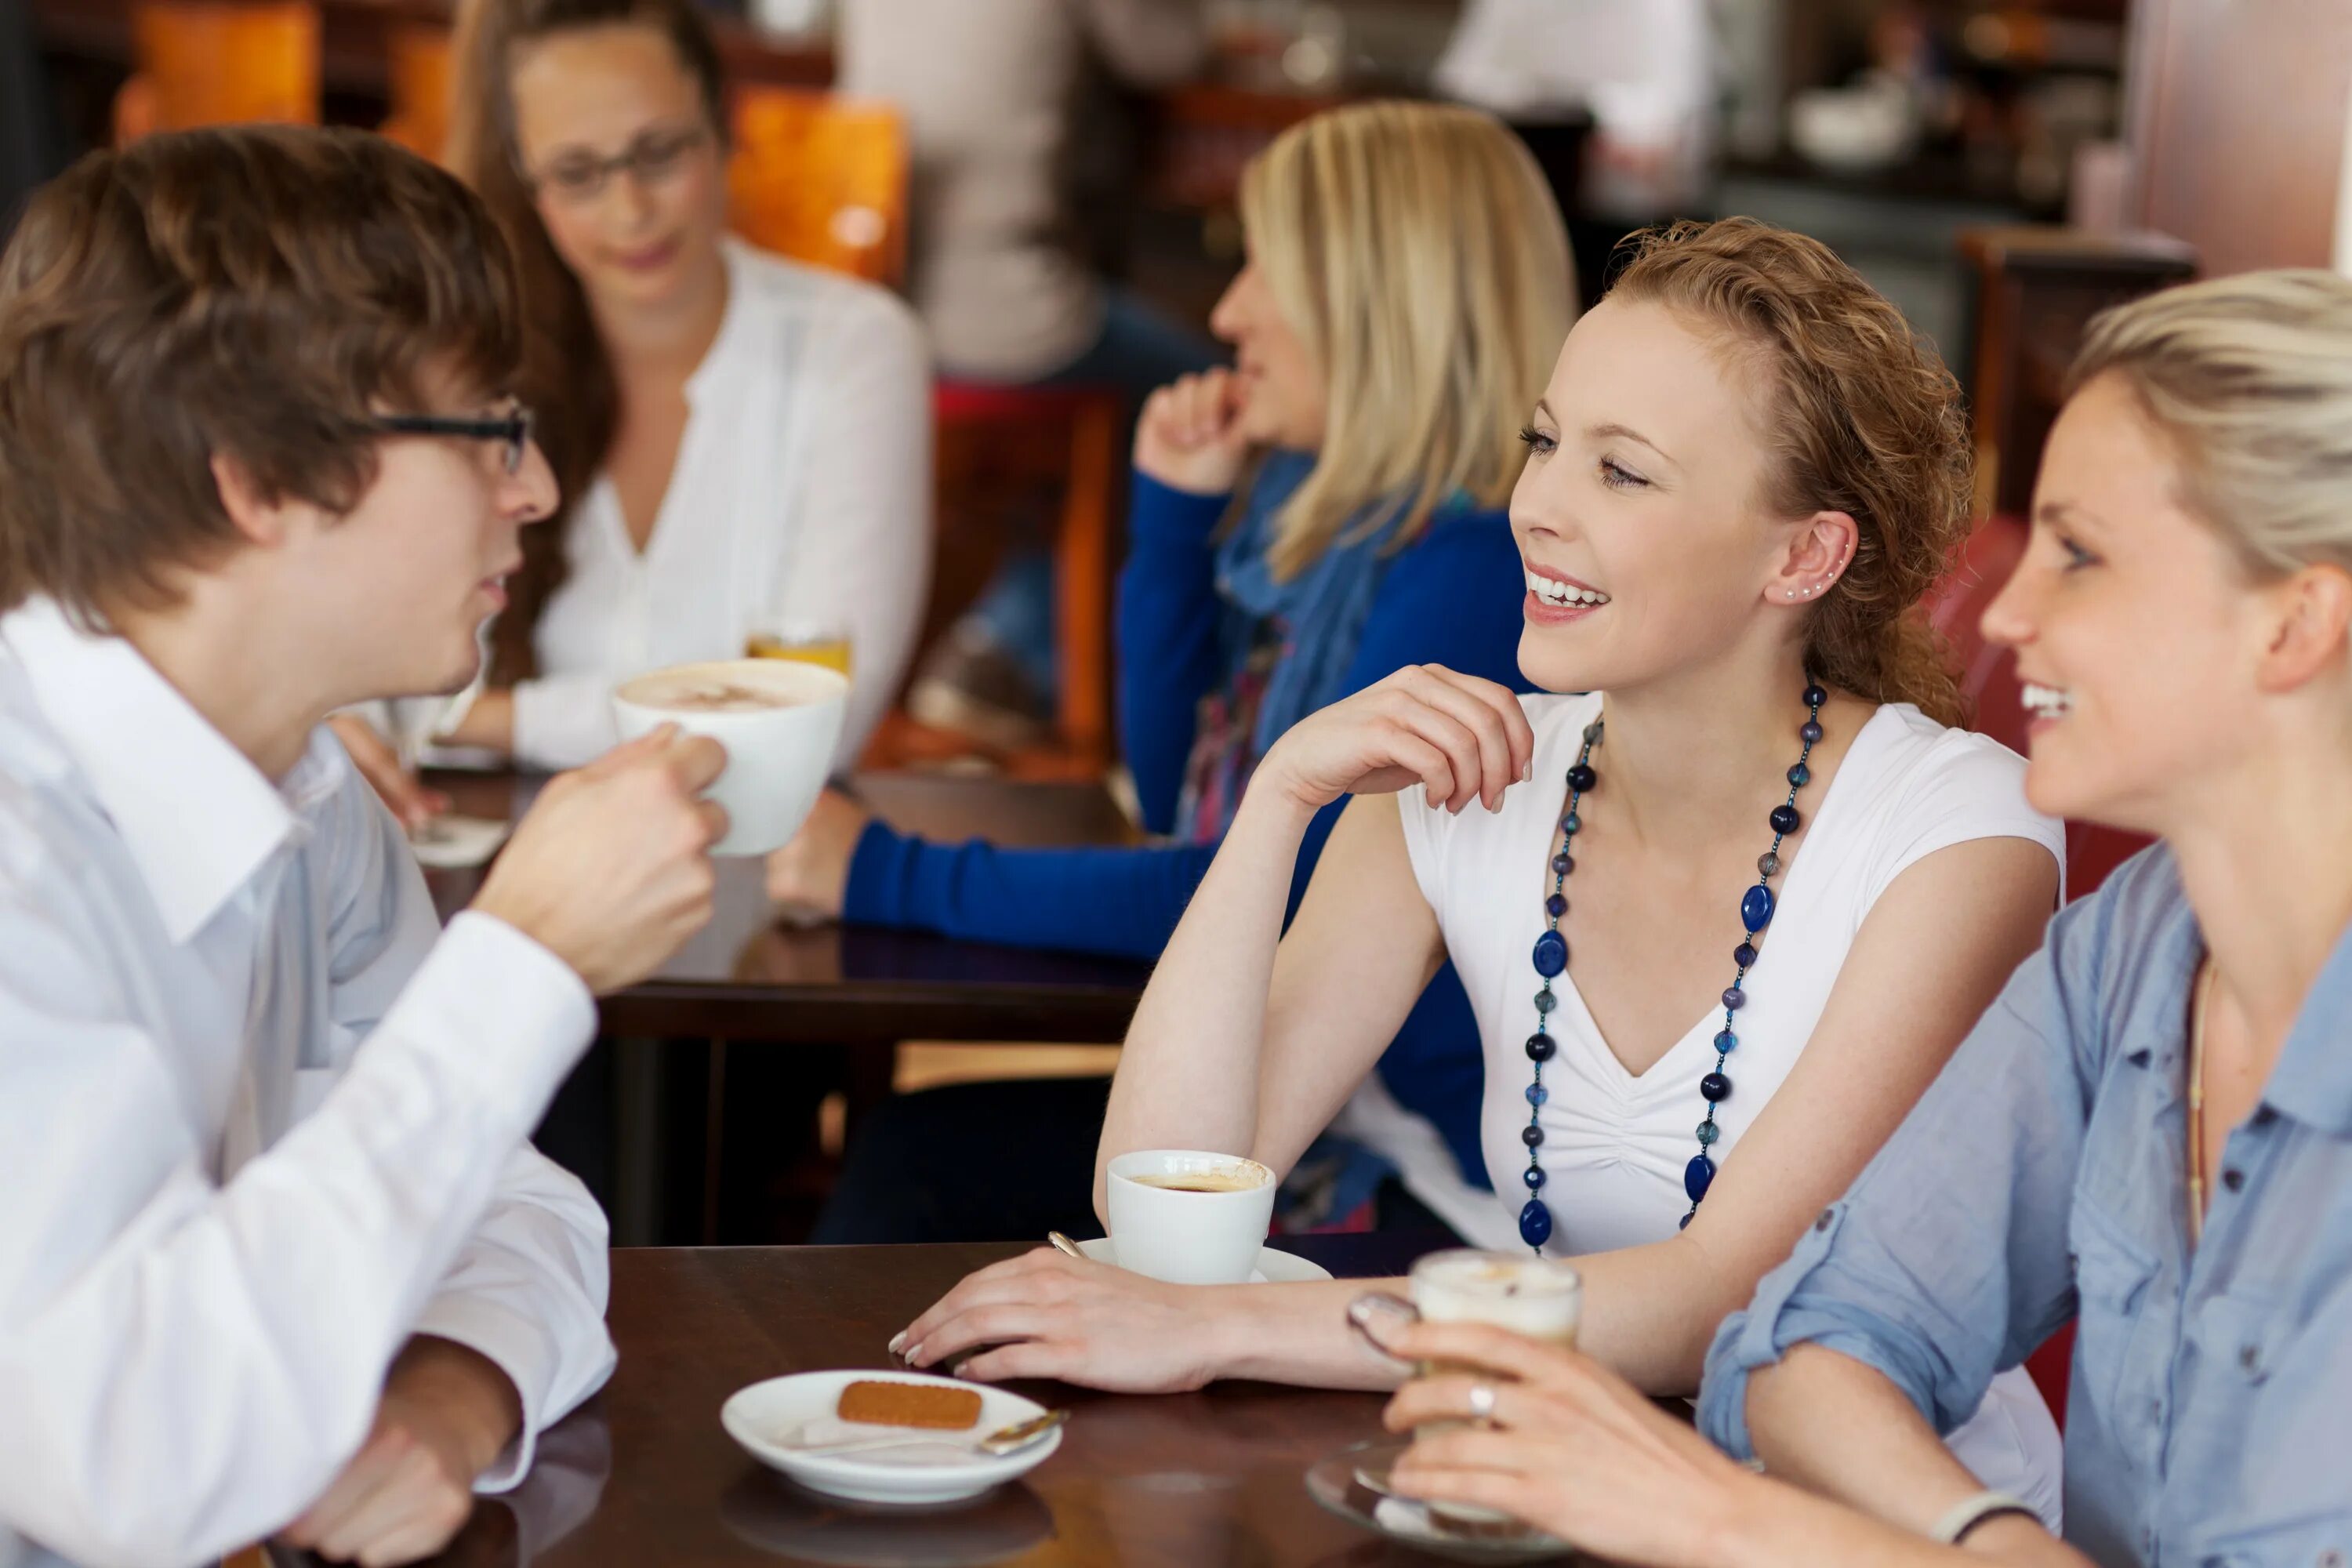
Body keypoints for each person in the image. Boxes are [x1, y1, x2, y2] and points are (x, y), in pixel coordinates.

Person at [893, 217, 2071, 1518]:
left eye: (1622, 473)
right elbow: (1170, 1201)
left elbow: (1721, 1297)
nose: (1539, 507)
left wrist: (1221, 1330)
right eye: (1545, 441)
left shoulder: (1959, 835)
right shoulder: (1465, 783)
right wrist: (1284, 800)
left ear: (1802, 556)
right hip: (1535, 1492)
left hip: (1861, 1527)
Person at [1357, 270, 2352, 1566]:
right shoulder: (2131, 952)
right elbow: (1816, 1339)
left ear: (2298, 624)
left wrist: (1712, 1517)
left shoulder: (1993, 856)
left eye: (2082, 555)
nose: (2006, 613)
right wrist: (1985, 1540)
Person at [0, 126, 726, 1568]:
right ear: (262, 482)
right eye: (488, 435)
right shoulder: (21, 855)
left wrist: (450, 1397)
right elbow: (135, 1468)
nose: (532, 491)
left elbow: (499, 1192)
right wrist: (523, 964)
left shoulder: (308, 788)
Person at [772, 99, 1574, 1246]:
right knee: (908, 1155)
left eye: (1268, 268)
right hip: (1350, 1111)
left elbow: (1261, 886)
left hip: (1443, 1180)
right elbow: (1172, 794)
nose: (1231, 311)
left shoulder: (1470, 575)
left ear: (1376, 304)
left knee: (915, 1178)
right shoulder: (1341, 537)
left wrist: (891, 876)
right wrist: (1176, 521)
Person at [336, 0, 931, 823]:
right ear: (529, 179)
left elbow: (823, 718)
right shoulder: (472, 370)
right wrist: (351, 721)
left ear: (725, 130)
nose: (630, 209)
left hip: (746, 864)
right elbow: (361, 641)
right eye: (578, 173)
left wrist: (467, 717)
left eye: (657, 153)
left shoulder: (855, 349)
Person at [836, 0, 1220, 746]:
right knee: (1210, 392)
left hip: (878, 307)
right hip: (999, 314)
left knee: (1101, 423)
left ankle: (1002, 641)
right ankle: (1022, 653)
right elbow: (1169, 52)